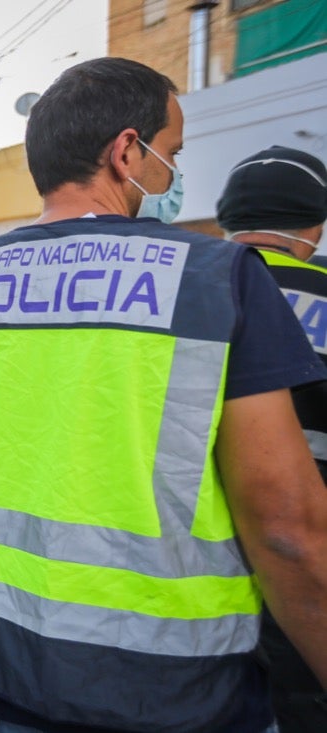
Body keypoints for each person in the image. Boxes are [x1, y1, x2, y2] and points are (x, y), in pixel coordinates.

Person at [0, 56, 327, 733]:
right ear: (127, 151)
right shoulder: (217, 280)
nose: (172, 173)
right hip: (175, 698)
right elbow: (287, 528)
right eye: (170, 152)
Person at [216, 146, 327, 733]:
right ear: (315, 223)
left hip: (192, 564)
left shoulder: (189, 285)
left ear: (228, 219)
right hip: (311, 567)